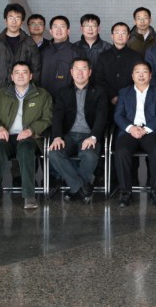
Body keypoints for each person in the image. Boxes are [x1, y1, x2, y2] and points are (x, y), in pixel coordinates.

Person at [0, 61, 53, 211]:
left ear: (30, 76)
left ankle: (29, 196)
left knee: (26, 150)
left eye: (24, 72)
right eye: (17, 73)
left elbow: (48, 118)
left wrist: (31, 130)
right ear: (12, 77)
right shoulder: (1, 94)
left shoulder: (42, 95)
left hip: (30, 137)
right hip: (6, 136)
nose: (21, 76)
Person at [48, 58, 108, 203]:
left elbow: (102, 116)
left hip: (89, 135)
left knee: (90, 155)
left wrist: (93, 137)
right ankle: (81, 187)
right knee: (54, 153)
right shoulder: (63, 92)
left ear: (90, 72)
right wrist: (57, 137)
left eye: (84, 69)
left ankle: (74, 188)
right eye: (77, 69)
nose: (80, 72)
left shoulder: (99, 92)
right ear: (71, 72)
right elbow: (57, 117)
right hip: (68, 135)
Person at [113, 62, 156, 207]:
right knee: (121, 152)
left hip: (150, 131)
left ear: (150, 75)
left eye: (145, 71)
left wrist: (145, 129)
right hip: (129, 131)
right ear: (132, 76)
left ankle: (155, 192)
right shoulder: (124, 92)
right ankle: (126, 193)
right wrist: (131, 128)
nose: (141, 75)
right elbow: (118, 115)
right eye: (137, 72)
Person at [0, 3, 41, 96]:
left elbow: (36, 71)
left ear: (22, 22)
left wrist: (32, 93)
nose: (14, 22)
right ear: (5, 20)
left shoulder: (30, 43)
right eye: (11, 18)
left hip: (23, 93)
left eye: (17, 18)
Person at [94, 22, 142, 109]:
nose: (120, 35)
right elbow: (98, 78)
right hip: (106, 101)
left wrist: (126, 95)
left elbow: (140, 78)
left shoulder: (136, 56)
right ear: (112, 36)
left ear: (128, 36)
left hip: (130, 101)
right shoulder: (103, 56)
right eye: (117, 32)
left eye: (123, 33)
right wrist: (112, 95)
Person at [39, 15, 78, 95]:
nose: (59, 30)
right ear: (51, 31)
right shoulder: (44, 51)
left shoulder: (76, 51)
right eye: (55, 26)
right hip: (45, 98)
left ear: (68, 31)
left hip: (67, 98)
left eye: (62, 26)